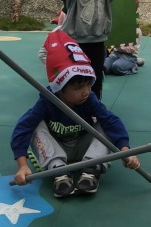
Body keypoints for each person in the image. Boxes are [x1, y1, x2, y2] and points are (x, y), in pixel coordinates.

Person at [12, 30, 140, 198]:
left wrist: (125, 150)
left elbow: (112, 121)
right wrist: (22, 165)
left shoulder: (89, 99)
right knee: (35, 125)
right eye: (78, 88)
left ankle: (91, 169)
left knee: (105, 123)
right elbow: (23, 128)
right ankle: (58, 171)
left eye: (88, 84)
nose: (86, 91)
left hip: (84, 148)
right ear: (59, 88)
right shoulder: (47, 100)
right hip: (56, 148)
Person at [61, 0, 137, 98]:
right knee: (75, 81)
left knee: (95, 80)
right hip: (75, 42)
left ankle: (94, 109)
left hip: (97, 41)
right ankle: (71, 110)